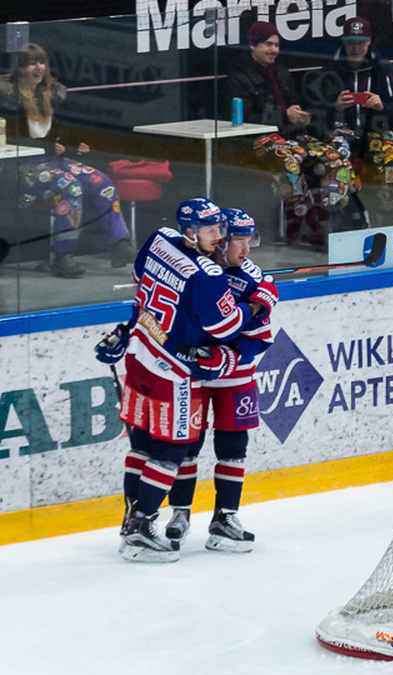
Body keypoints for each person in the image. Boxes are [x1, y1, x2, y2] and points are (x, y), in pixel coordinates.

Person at [106, 198, 268, 563]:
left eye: (221, 230)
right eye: (212, 230)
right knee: (173, 450)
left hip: (140, 354)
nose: (219, 237)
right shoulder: (207, 275)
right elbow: (225, 325)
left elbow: (140, 280)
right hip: (172, 370)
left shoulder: (160, 239)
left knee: (142, 447)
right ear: (191, 230)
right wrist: (255, 305)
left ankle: (130, 522)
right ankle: (141, 528)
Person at [160, 208, 276, 553]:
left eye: (249, 240)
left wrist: (234, 353)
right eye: (239, 241)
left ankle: (225, 517)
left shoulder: (254, 279)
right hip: (191, 373)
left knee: (233, 448)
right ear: (220, 240)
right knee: (186, 445)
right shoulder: (191, 267)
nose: (246, 249)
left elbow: (262, 336)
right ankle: (179, 514)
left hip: (236, 376)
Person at [0, 43, 134, 278]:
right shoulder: (6, 98)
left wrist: (76, 144)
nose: (39, 67)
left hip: (54, 160)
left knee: (101, 182)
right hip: (21, 165)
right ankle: (63, 256)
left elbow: (66, 132)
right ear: (20, 68)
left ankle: (119, 245)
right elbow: (11, 139)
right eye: (32, 63)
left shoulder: (54, 95)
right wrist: (49, 146)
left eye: (42, 62)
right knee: (69, 185)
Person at [317, 16, 393, 220]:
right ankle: (340, 222)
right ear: (343, 42)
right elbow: (314, 111)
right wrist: (334, 105)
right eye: (350, 42)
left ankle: (387, 219)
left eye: (360, 42)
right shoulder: (331, 69)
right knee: (335, 162)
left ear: (369, 42)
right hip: (341, 134)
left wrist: (382, 105)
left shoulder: (383, 68)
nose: (355, 48)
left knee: (389, 161)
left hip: (376, 132)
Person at [223, 21, 313, 137]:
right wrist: (284, 117)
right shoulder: (239, 78)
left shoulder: (281, 73)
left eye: (277, 45)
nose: (274, 50)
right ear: (252, 45)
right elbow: (242, 120)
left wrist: (302, 116)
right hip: (262, 141)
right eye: (268, 44)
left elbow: (296, 103)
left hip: (292, 136)